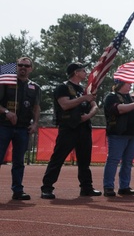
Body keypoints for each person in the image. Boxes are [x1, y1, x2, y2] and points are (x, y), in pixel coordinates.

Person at [40, 62, 100, 198]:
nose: (86, 72)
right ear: (75, 72)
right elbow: (65, 104)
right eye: (83, 70)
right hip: (69, 127)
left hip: (84, 127)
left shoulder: (84, 89)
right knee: (58, 158)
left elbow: (95, 106)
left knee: (85, 160)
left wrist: (88, 115)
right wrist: (83, 98)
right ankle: (47, 188)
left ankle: (86, 187)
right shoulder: (63, 87)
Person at [0, 56, 41, 200]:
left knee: (19, 161)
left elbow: (36, 107)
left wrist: (35, 123)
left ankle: (18, 190)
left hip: (23, 128)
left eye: (26, 66)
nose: (23, 67)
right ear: (16, 66)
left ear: (31, 69)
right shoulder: (5, 82)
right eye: (20, 65)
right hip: (3, 127)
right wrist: (7, 112)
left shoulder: (35, 87)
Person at [102, 79, 134, 196]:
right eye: (128, 84)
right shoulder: (111, 97)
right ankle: (108, 187)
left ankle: (124, 186)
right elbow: (119, 109)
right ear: (120, 85)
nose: (130, 86)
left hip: (133, 134)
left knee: (128, 162)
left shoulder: (131, 98)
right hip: (118, 133)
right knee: (113, 160)